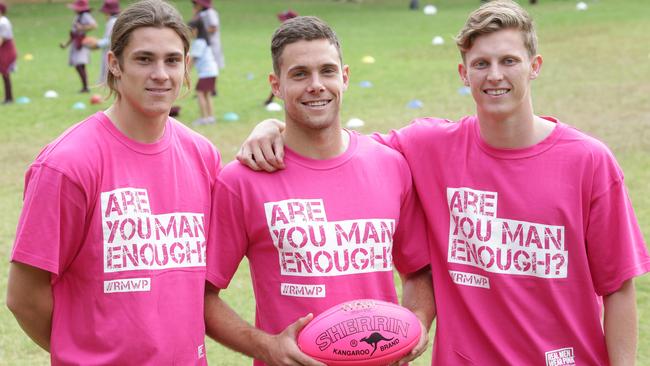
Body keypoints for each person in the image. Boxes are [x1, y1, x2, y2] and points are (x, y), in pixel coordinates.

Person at [237, 1, 650, 365]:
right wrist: (273, 124)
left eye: (509, 61)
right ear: (462, 73)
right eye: (481, 64)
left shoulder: (588, 161)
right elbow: (336, 149)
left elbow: (618, 288)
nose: (494, 76)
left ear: (534, 66)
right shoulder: (430, 146)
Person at [203, 16, 434, 366]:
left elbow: (418, 270)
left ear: (345, 76)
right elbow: (202, 295)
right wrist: (266, 346)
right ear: (276, 85)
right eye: (299, 74)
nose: (316, 85)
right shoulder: (242, 180)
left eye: (327, 71)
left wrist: (416, 320)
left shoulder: (390, 165)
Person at [6, 0, 221, 364]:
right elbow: (24, 297)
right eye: (143, 59)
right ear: (114, 64)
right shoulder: (67, 164)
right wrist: (86, 353)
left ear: (187, 66)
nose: (160, 74)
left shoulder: (203, 155)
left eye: (171, 60)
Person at [189, 17, 218, 125]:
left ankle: (204, 118)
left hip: (207, 72)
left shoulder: (199, 42)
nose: (189, 34)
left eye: (190, 31)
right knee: (207, 94)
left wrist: (186, 72)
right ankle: (210, 117)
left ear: (196, 30)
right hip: (212, 71)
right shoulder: (204, 40)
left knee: (200, 93)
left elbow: (193, 59)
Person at [192, 0, 224, 70]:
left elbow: (214, 27)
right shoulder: (200, 14)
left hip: (211, 44)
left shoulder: (210, 13)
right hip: (202, 43)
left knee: (212, 65)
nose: (194, 6)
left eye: (196, 4)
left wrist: (201, 32)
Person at [95, 0, 120, 83]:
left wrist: (96, 43)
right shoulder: (118, 21)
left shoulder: (111, 22)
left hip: (110, 52)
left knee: (108, 71)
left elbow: (109, 40)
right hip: (114, 52)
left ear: (108, 13)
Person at [0, 0, 17, 104]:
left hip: (6, 50)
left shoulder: (3, 22)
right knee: (4, 74)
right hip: (3, 50)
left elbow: (1, 40)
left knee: (5, 73)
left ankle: (9, 98)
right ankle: (8, 97)